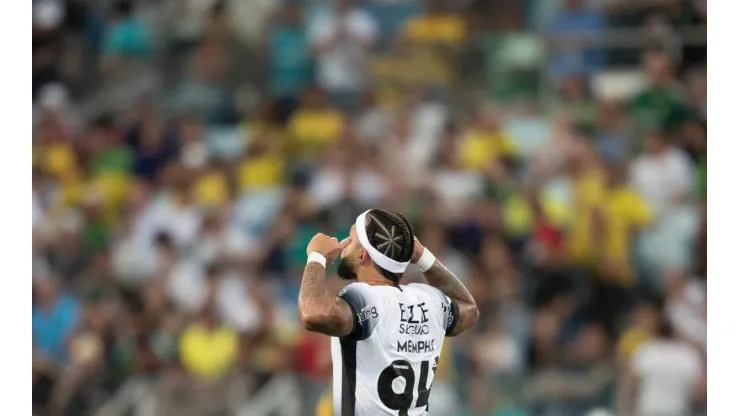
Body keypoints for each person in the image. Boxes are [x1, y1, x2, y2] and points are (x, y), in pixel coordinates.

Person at [297, 208, 479, 415]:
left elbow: (313, 313)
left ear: (362, 254)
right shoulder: (429, 300)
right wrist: (423, 257)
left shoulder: (365, 297)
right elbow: (469, 308)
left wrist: (316, 257)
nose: (344, 243)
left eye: (351, 238)